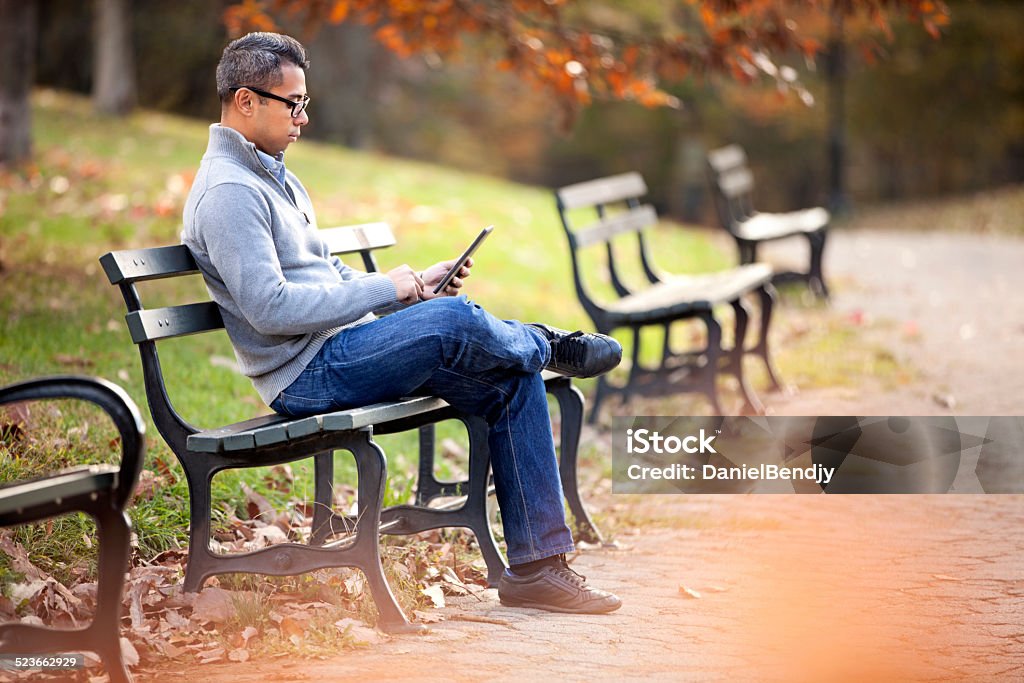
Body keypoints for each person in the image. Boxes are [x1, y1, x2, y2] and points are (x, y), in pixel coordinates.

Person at [182, 32, 623, 615]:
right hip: (305, 375)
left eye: (304, 103)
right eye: (293, 104)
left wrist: (409, 289)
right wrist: (388, 289)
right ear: (245, 100)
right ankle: (545, 342)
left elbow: (324, 273)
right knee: (457, 321)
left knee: (509, 379)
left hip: (341, 349)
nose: (303, 117)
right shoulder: (229, 192)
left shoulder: (274, 174)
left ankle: (537, 569)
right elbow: (270, 309)